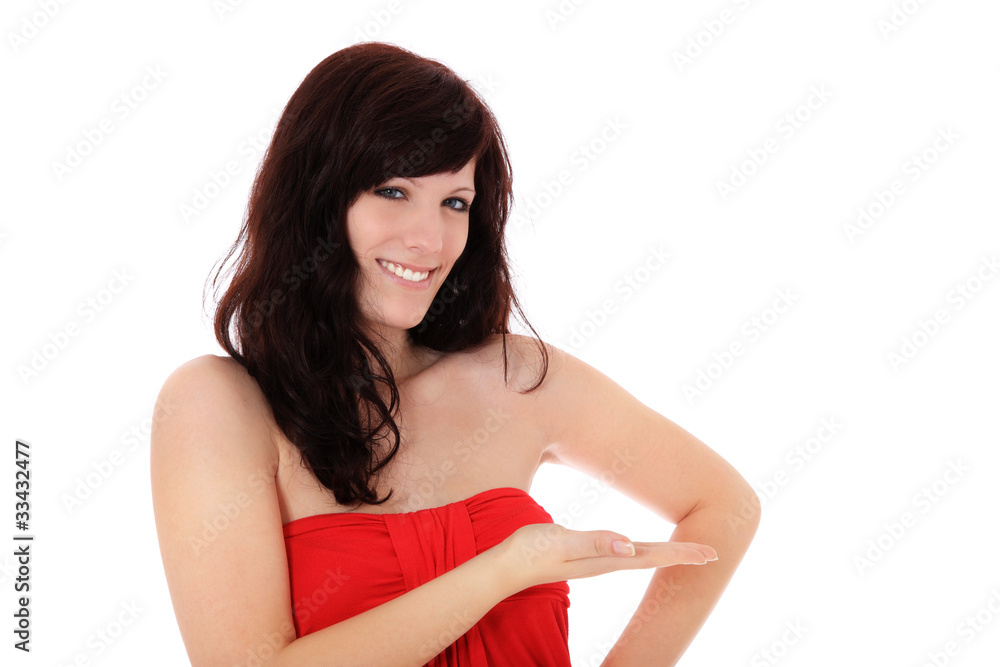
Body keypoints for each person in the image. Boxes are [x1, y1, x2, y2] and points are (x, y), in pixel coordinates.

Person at [150, 41, 760, 667]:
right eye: (393, 191)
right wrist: (506, 569)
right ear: (316, 197)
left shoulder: (515, 377)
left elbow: (724, 506)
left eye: (455, 203)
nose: (429, 239)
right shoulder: (219, 404)